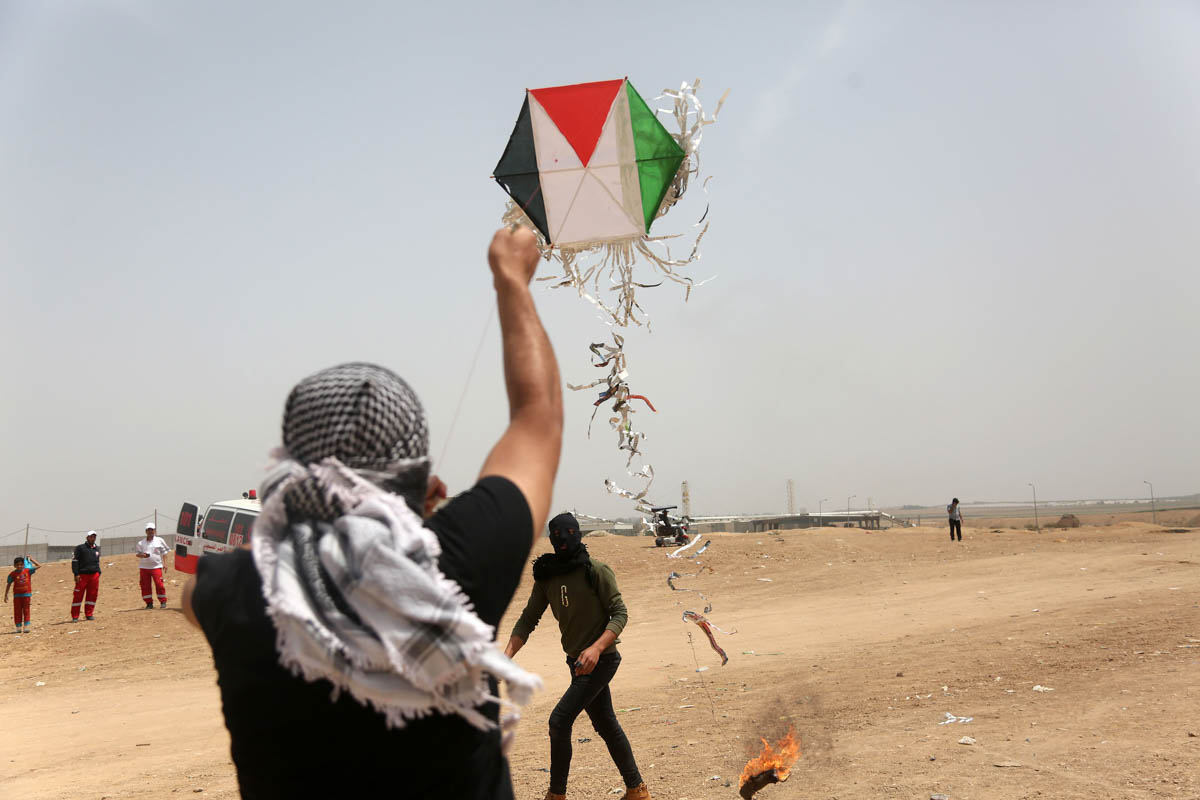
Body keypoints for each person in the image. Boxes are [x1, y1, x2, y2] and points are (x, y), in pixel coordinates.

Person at [180, 226, 562, 800]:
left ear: (291, 472)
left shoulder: (235, 590)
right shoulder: (456, 566)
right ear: (426, 483)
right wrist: (512, 280)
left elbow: (190, 598)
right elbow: (538, 418)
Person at [505, 512, 652, 800]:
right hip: (576, 663)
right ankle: (637, 789)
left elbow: (620, 613)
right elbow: (528, 619)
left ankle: (556, 795)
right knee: (606, 723)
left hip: (603, 660)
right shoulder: (548, 576)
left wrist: (597, 648)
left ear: (579, 535)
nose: (564, 541)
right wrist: (506, 655)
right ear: (551, 539)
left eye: (570, 534)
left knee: (559, 721)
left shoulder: (595, 570)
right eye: (558, 536)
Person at [135, 522, 171, 609]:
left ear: (154, 531)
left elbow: (164, 553)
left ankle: (163, 601)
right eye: (148, 530)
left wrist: (165, 564)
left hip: (156, 567)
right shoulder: (141, 543)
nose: (150, 531)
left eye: (152, 530)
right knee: (145, 586)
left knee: (159, 584)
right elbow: (137, 554)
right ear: (146, 531)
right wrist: (142, 555)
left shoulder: (160, 540)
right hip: (144, 568)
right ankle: (149, 603)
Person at [6, 555, 43, 633]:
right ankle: (18, 627)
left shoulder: (28, 571)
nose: (19, 566)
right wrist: (6, 595)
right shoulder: (12, 574)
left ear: (23, 564)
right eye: (17, 565)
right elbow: (8, 584)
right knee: (17, 611)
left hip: (26, 595)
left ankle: (26, 626)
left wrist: (31, 559)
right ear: (14, 565)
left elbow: (39, 565)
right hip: (17, 596)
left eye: (21, 564)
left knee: (26, 610)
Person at [71, 531, 102, 621]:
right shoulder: (80, 548)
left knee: (92, 595)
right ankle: (75, 616)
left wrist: (98, 572)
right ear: (87, 537)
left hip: (94, 575)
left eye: (94, 537)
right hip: (82, 575)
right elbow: (75, 561)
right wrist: (76, 574)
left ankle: (89, 614)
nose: (92, 538)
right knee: (78, 595)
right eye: (91, 537)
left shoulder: (97, 549)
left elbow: (97, 561)